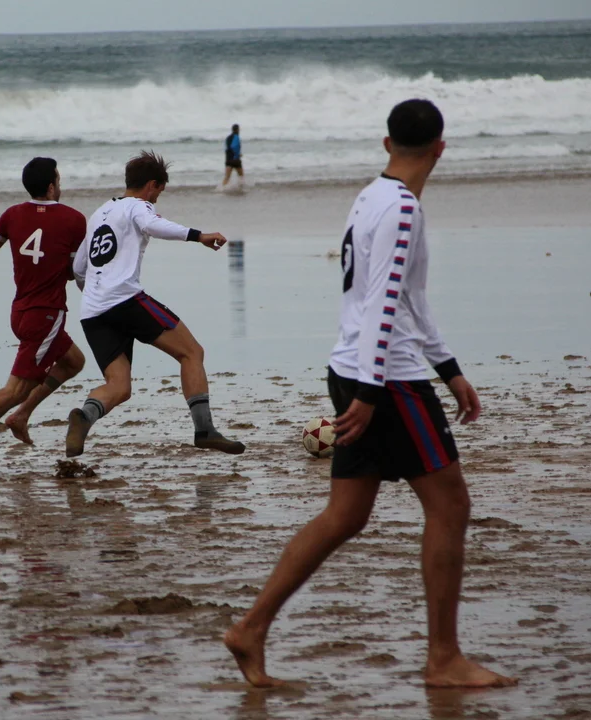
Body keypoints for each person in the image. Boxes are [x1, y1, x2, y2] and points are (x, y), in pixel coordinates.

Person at [223, 100, 518, 689]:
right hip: (386, 380)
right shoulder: (403, 208)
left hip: (357, 366)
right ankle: (443, 660)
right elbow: (383, 300)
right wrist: (371, 388)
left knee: (346, 515)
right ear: (440, 148)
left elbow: (406, 298)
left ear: (387, 144)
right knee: (450, 506)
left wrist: (448, 367)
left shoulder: (371, 196)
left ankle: (250, 628)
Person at [66, 151, 245, 458]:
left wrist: (97, 294)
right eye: (160, 191)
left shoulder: (100, 212)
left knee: (119, 386)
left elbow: (79, 268)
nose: (158, 198)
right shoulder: (139, 206)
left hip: (93, 311)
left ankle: (84, 417)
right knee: (192, 352)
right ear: (151, 185)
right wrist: (198, 236)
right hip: (124, 300)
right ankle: (204, 430)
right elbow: (153, 225)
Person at [0, 158, 87, 472]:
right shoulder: (74, 219)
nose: (60, 185)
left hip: (20, 311)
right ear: (51, 187)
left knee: (73, 362)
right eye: (59, 180)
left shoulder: (12, 214)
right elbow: (77, 272)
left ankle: (21, 416)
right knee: (15, 390)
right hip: (45, 317)